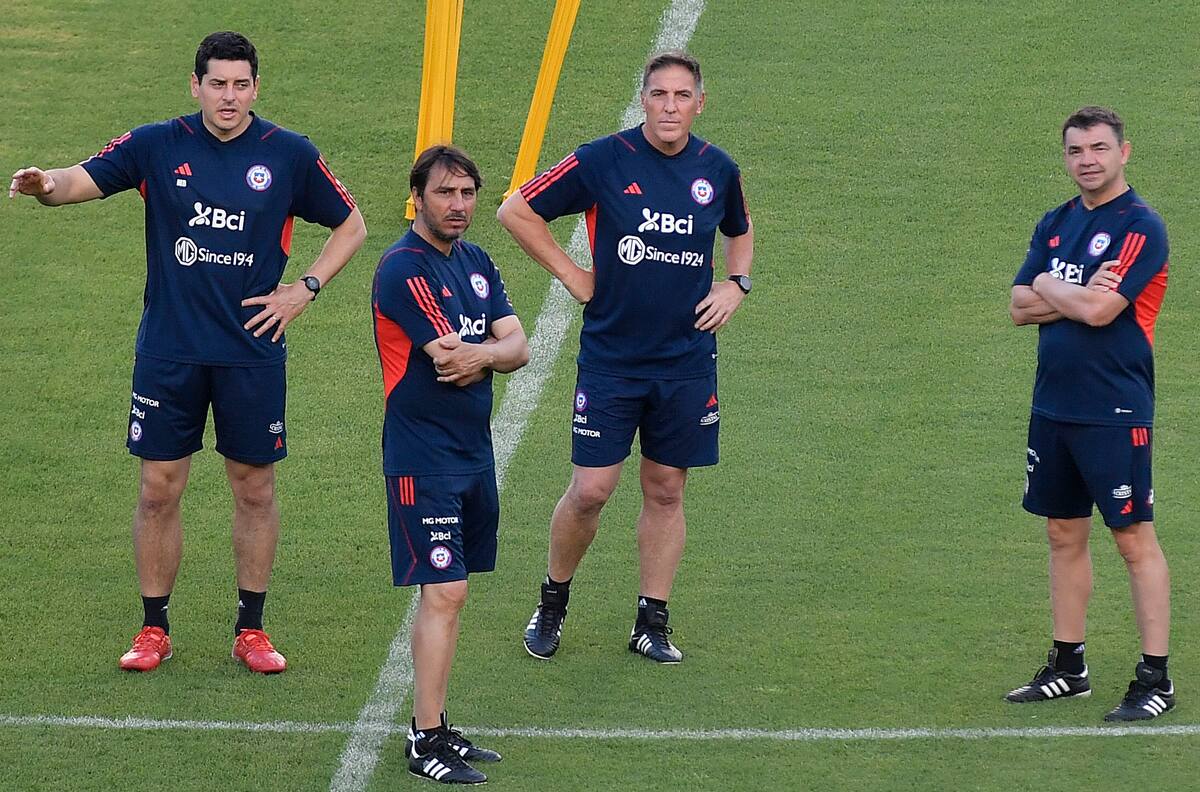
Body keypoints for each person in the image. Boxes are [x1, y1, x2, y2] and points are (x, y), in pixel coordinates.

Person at [8, 31, 366, 673]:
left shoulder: (288, 154)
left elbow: (352, 224)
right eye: (217, 83)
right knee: (157, 488)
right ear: (195, 85)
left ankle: (251, 630)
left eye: (240, 84)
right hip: (169, 351)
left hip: (251, 351)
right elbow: (76, 181)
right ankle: (153, 629)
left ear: (256, 87)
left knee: (253, 486)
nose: (228, 96)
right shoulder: (156, 144)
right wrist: (42, 183)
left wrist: (303, 290)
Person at [497, 51, 754, 664]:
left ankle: (652, 621)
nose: (670, 106)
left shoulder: (717, 169)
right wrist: (573, 275)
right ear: (644, 99)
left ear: (700, 103)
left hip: (686, 361)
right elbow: (515, 209)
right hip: (612, 359)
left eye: (682, 96)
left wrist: (735, 285)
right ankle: (552, 602)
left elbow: (739, 230)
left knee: (666, 489)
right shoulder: (603, 159)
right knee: (591, 490)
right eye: (659, 95)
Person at [1006, 106, 1173, 721]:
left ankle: (1156, 677)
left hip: (1115, 407)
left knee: (1132, 537)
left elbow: (1102, 313)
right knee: (1062, 532)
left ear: (1124, 152)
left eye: (1099, 148)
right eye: (1076, 150)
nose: (1088, 160)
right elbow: (1017, 306)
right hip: (1053, 405)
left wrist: (1050, 287)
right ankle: (1069, 665)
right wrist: (1065, 291)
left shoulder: (1141, 227)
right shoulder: (1055, 222)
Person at [373, 145, 528, 784]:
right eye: (445, 193)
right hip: (422, 455)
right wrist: (493, 351)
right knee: (446, 590)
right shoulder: (403, 269)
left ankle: (435, 727)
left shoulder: (477, 262)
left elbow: (512, 346)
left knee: (452, 595)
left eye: (467, 193)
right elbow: (450, 359)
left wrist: (489, 352)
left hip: (471, 451)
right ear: (419, 198)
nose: (459, 205)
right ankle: (424, 739)